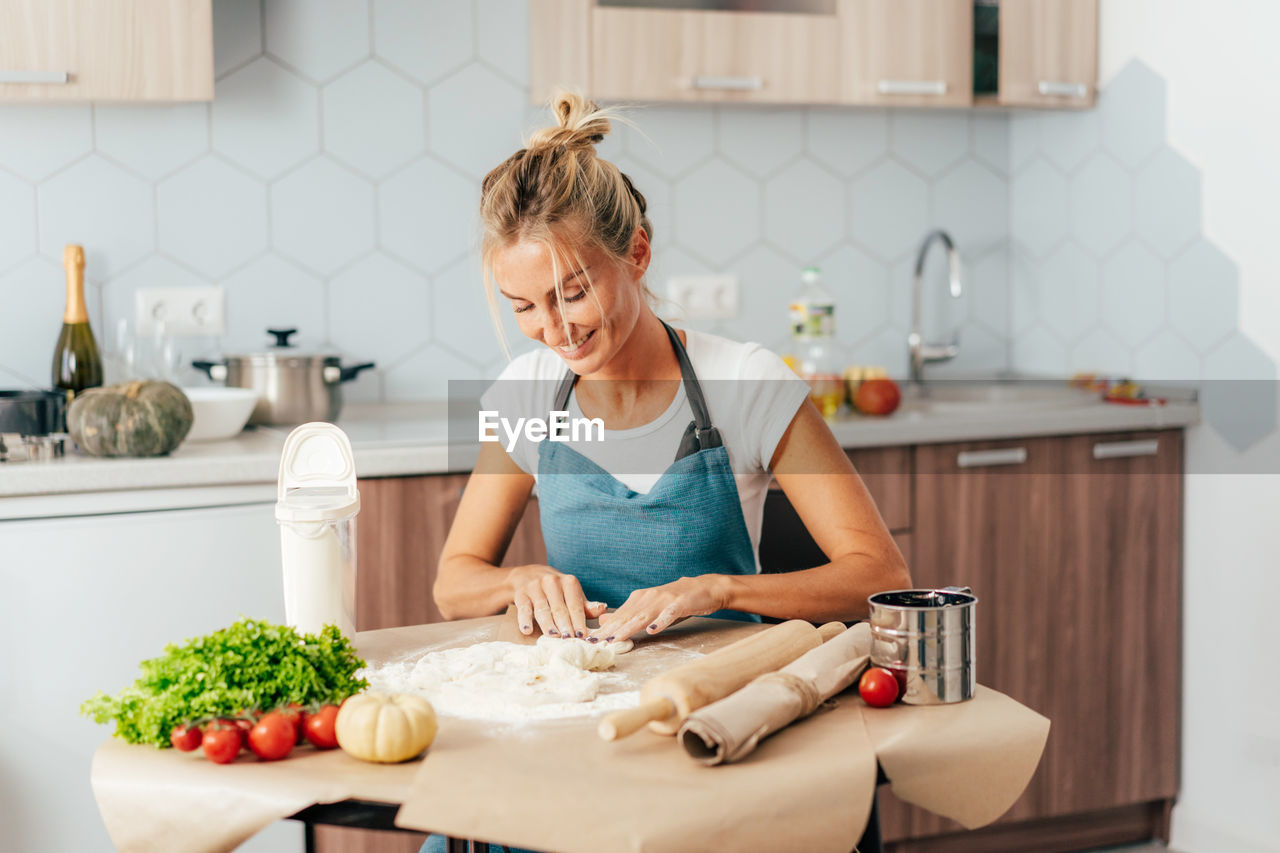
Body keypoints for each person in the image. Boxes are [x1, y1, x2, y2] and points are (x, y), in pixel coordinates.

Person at [433, 92, 910, 647]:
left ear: (637, 253)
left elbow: (880, 576)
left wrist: (719, 591)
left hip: (720, 698)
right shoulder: (528, 398)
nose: (554, 328)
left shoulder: (746, 383)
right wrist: (520, 579)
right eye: (522, 306)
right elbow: (453, 585)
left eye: (574, 293)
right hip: (581, 697)